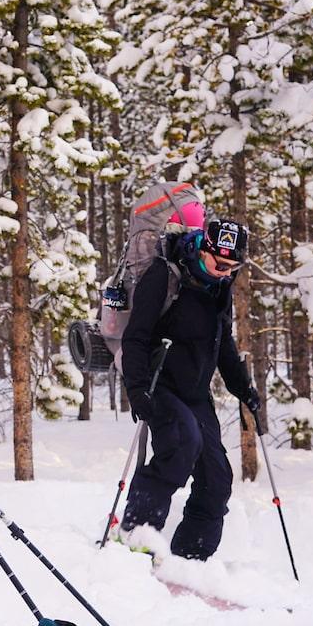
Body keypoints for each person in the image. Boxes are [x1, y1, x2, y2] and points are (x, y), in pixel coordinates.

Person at [118, 217, 259, 560]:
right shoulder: (164, 276)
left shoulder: (220, 286)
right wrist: (137, 390)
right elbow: (134, 338)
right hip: (158, 385)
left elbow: (221, 341)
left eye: (233, 266)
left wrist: (244, 387)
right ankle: (136, 537)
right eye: (220, 264)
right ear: (203, 250)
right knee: (181, 445)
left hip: (196, 392)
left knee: (217, 478)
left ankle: (190, 558)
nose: (226, 272)